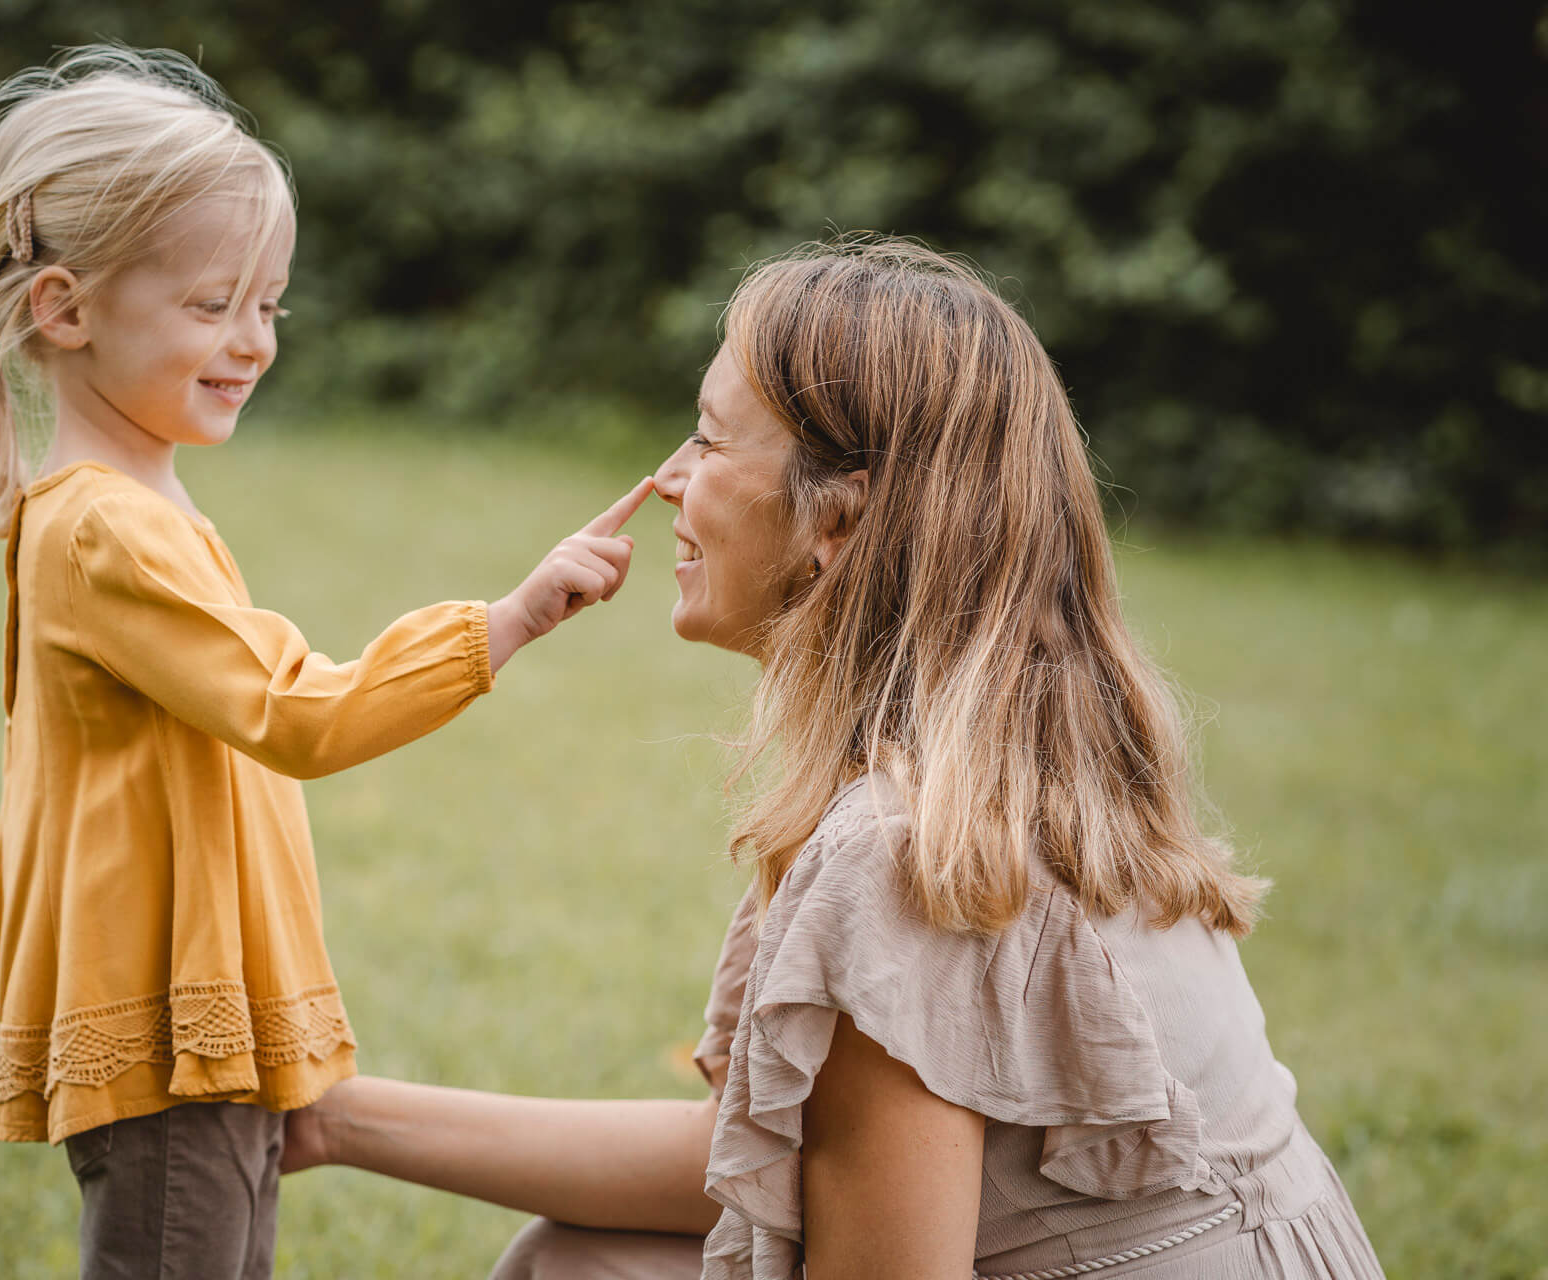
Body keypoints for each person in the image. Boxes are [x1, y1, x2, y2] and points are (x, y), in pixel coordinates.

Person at [279, 238, 1385, 1280]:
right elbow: (760, 1160)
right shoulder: (1012, 765)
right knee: (589, 1260)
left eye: (709, 439)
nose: (670, 477)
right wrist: (329, 1117)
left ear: (840, 522)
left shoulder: (905, 852)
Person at [0, 45, 651, 1279]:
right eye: (211, 306)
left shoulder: (136, 503)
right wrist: (504, 620)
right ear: (67, 309)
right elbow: (298, 712)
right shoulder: (106, 527)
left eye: (269, 305)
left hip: (210, 1022)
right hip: (165, 1027)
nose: (252, 341)